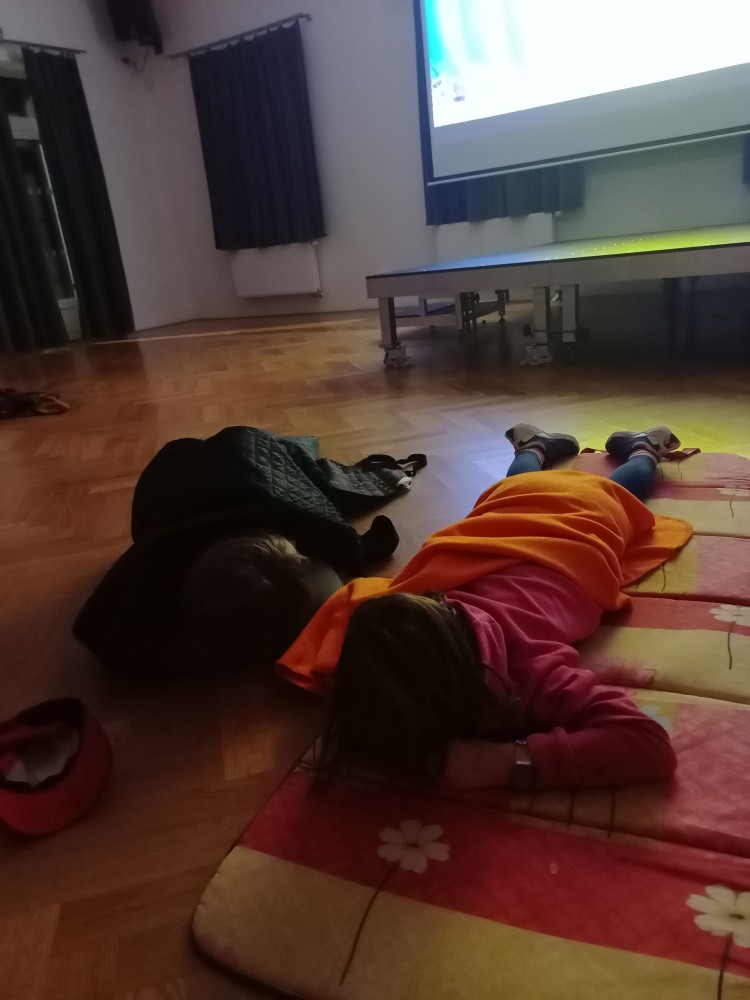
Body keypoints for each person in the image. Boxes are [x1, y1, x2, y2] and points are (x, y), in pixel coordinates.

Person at [275, 424, 692, 792]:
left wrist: (498, 762)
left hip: (579, 517)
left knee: (622, 490)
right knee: (520, 483)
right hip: (504, 511)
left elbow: (648, 745)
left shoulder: (531, 670)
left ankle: (643, 447)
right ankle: (535, 446)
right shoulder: (409, 621)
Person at [73, 426, 424, 673]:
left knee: (291, 460)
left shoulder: (308, 538)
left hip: (246, 460)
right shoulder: (162, 560)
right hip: (200, 470)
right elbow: (109, 641)